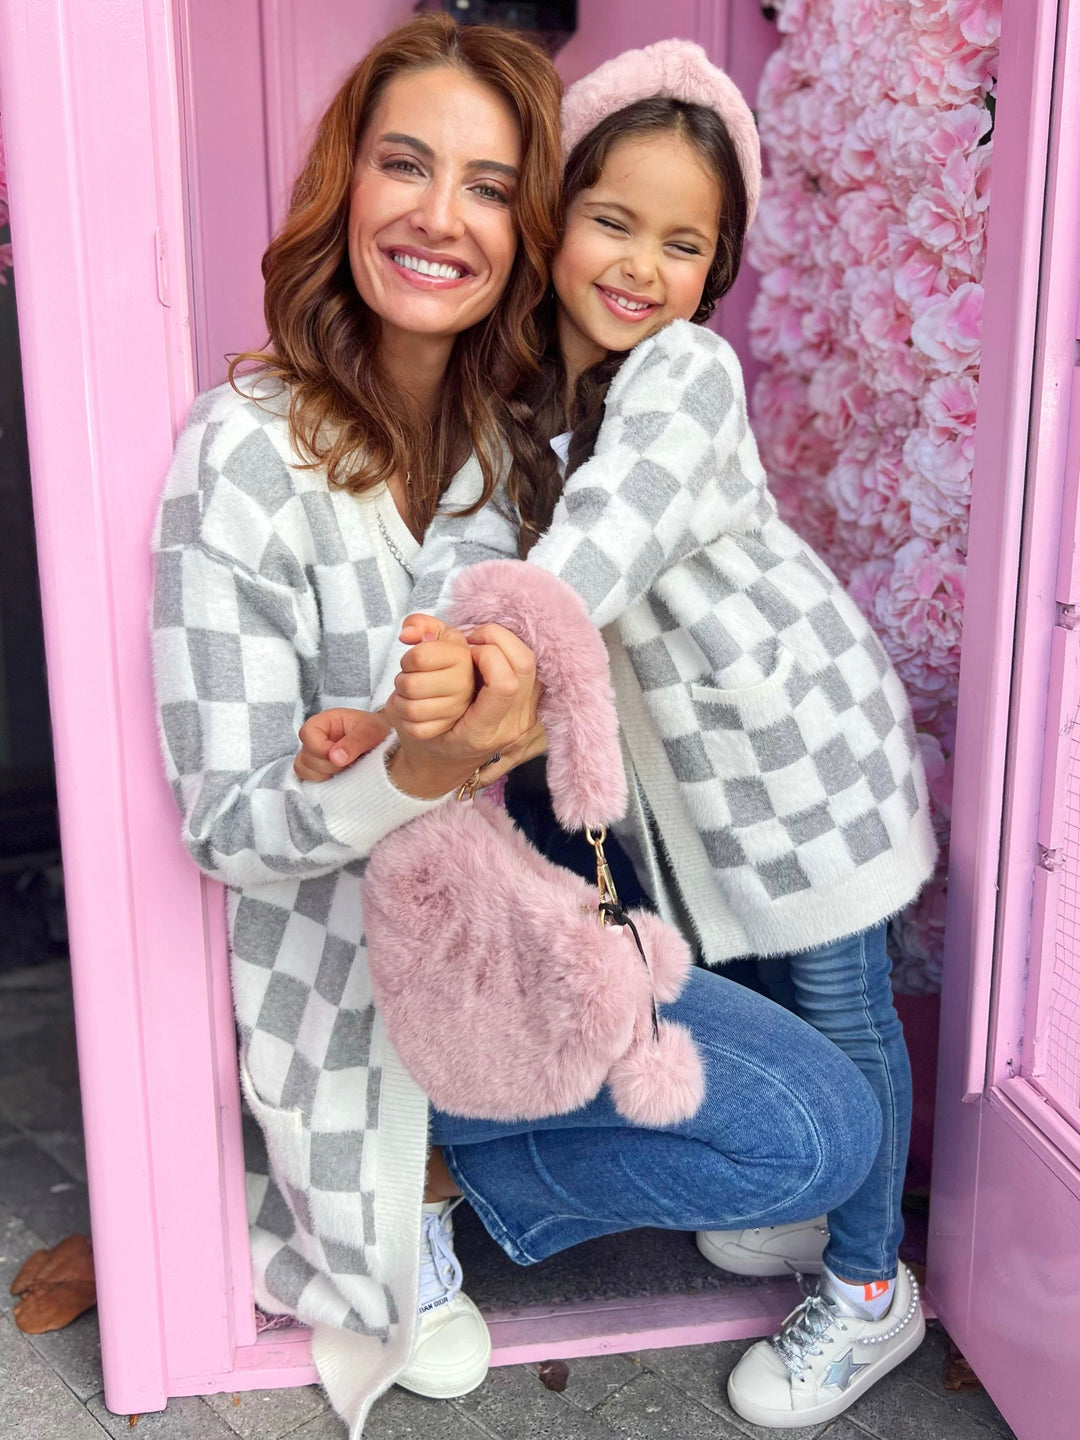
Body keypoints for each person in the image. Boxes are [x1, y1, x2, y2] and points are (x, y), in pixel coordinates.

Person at [300, 40, 936, 1431]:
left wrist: (499, 645)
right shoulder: (522, 397)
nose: (644, 266)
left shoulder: (687, 374)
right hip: (694, 785)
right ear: (556, 221)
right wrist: (399, 696)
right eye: (613, 221)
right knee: (761, 992)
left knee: (841, 1006)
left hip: (805, 759)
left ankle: (871, 1286)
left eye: (685, 244)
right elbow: (460, 551)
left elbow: (609, 533)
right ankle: (796, 1214)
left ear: (717, 270)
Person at [152, 14, 560, 1431]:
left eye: (490, 186)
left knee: (812, 1132)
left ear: (527, 232)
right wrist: (410, 766)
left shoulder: (512, 457)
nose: (441, 215)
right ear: (346, 186)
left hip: (506, 951)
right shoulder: (242, 453)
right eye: (405, 164)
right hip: (343, 990)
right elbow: (228, 826)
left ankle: (482, 1167)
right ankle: (419, 1191)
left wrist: (527, 717)